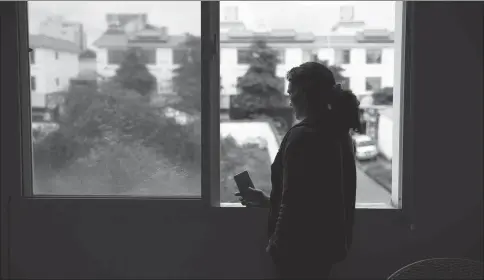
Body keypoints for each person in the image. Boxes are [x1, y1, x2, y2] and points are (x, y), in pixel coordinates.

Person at [236, 61, 360, 279]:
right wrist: (268, 201)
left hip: (298, 250)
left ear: (304, 94)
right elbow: (318, 194)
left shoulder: (302, 135)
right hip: (325, 248)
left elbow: (294, 200)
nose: (289, 99)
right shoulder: (340, 133)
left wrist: (277, 244)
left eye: (291, 92)